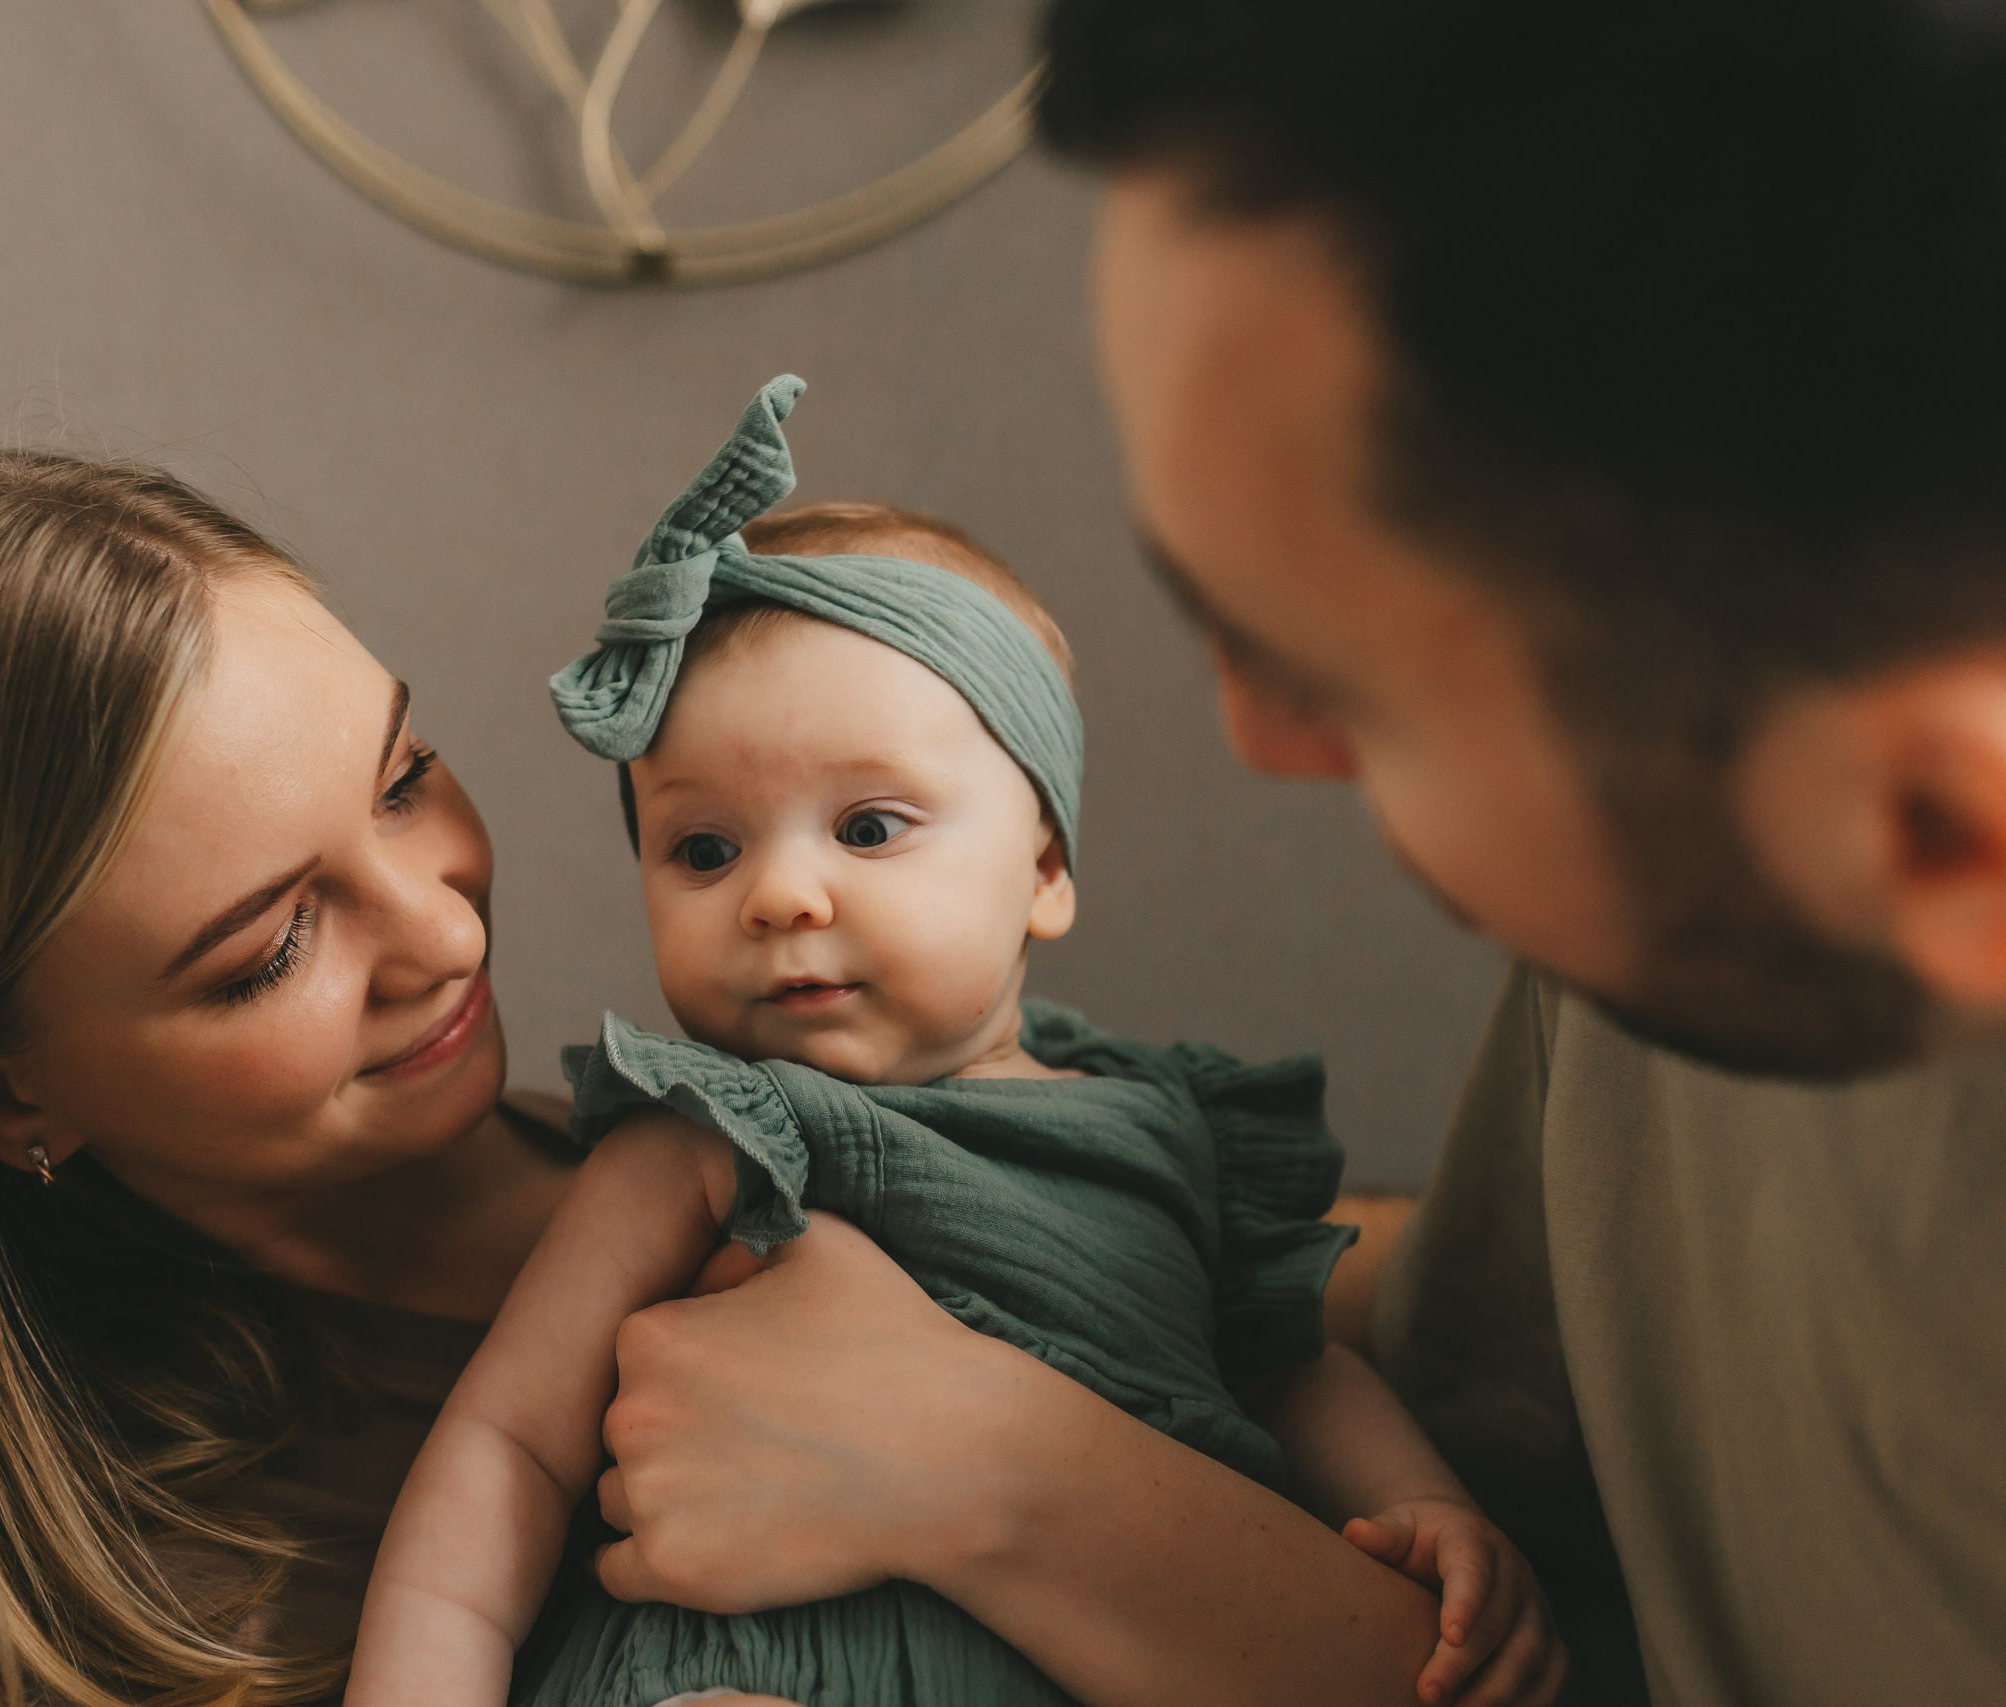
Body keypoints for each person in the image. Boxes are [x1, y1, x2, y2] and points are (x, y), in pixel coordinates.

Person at [570, 5, 2006, 1705]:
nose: (1255, 739)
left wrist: (997, 1470)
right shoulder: (1661, 936)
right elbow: (1425, 1381)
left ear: (1939, 837)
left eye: (1348, 685)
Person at [0, 440, 1457, 1707]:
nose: (441, 933)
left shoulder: (804, 1155)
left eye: (407, 776)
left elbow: (1421, 1640)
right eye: (271, 944)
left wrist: (974, 1455)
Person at [342, 378, 1559, 1707]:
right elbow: (508, 1450)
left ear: (1044, 865)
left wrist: (1425, 1505)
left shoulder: (1176, 1132)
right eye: (703, 847)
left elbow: (1293, 1371)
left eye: (867, 828)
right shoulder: (705, 1139)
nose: (781, 895)